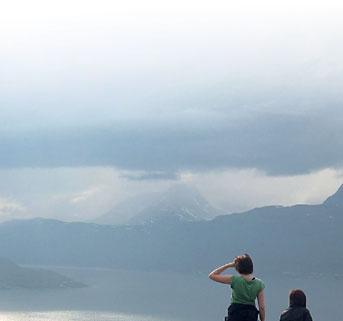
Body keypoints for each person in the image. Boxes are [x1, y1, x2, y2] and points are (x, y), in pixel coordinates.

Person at [209, 254, 265, 321]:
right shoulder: (259, 283)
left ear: (238, 267)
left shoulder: (235, 280)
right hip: (250, 315)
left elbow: (212, 275)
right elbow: (261, 307)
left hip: (235, 313)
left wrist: (229, 265)